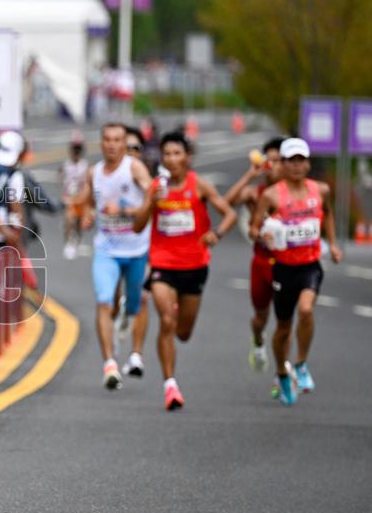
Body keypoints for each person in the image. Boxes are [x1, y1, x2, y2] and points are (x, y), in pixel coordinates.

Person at [133, 131, 237, 410]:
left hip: (194, 266)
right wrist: (152, 202)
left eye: (177, 153)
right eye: (167, 154)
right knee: (166, 321)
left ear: (187, 157)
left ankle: (178, 311)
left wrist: (217, 233)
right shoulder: (156, 187)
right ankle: (170, 385)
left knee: (183, 332)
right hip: (162, 265)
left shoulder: (199, 185)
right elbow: (138, 227)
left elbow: (230, 214)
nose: (171, 159)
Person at [250, 138, 342, 406]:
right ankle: (281, 372)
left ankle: (301, 363)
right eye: (291, 161)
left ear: (308, 163)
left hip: (310, 265)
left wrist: (333, 244)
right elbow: (253, 228)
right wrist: (264, 235)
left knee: (306, 309)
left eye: (301, 160)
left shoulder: (320, 190)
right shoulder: (271, 195)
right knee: (282, 328)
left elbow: (328, 214)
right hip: (283, 268)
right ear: (283, 164)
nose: (297, 166)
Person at [77, 123, 153, 390]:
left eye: (117, 140)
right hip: (106, 250)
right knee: (104, 301)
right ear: (101, 143)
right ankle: (109, 364)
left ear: (124, 143)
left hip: (136, 250)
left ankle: (135, 355)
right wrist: (87, 215)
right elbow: (89, 202)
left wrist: (124, 211)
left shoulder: (134, 168)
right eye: (107, 139)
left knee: (136, 304)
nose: (112, 144)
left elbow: (152, 198)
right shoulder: (94, 172)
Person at [223, 137, 284, 374]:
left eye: (279, 161)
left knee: (285, 320)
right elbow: (225, 202)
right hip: (261, 262)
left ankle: (283, 372)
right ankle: (258, 341)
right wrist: (250, 174)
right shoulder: (253, 193)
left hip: (287, 264)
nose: (273, 166)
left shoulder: (294, 195)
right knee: (260, 318)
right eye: (269, 161)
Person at [61, 133, 88, 260]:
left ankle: (76, 240)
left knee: (78, 223)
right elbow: (62, 180)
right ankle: (68, 242)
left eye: (78, 149)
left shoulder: (84, 165)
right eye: (74, 149)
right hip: (70, 197)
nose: (76, 152)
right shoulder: (66, 164)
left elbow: (86, 183)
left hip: (81, 197)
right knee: (69, 220)